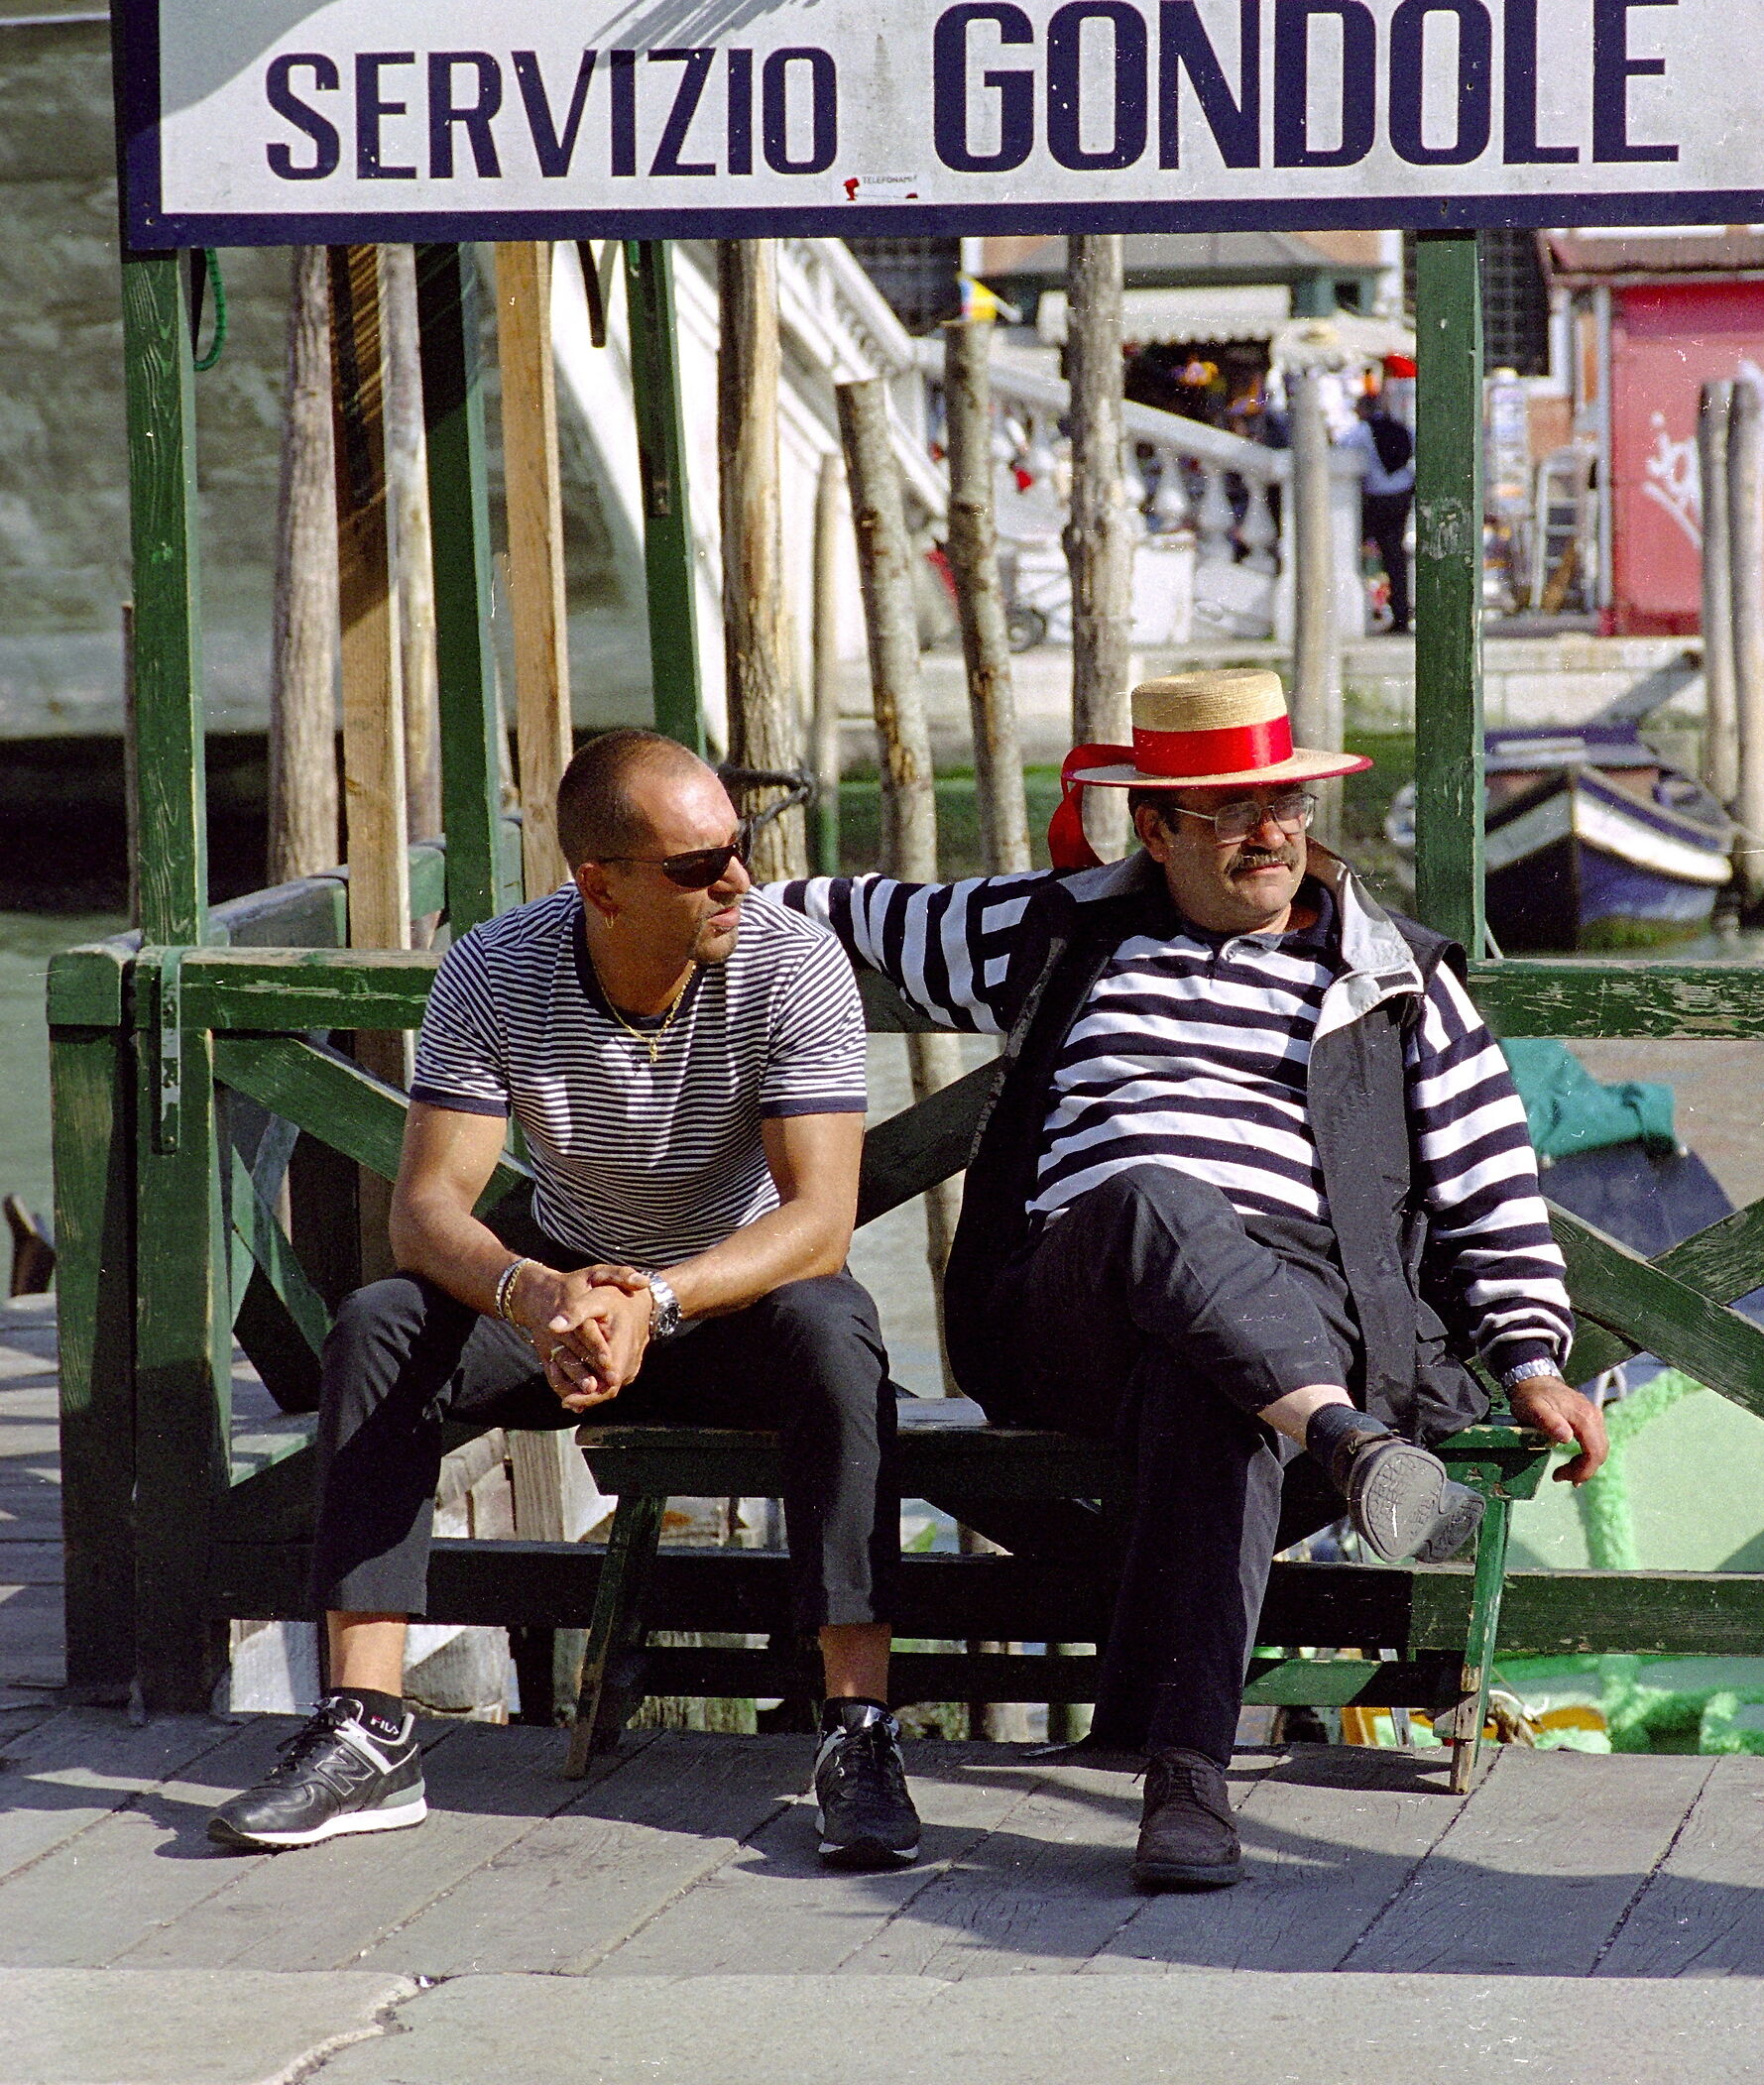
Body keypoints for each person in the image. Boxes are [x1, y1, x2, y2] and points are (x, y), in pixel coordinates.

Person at [770, 669, 1606, 1896]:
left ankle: (1188, 1783)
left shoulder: (1394, 974)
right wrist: (665, 888)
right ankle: (1347, 1443)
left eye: (1284, 804)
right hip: (1071, 1302)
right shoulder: (1055, 928)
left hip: (1304, 1304)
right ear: (1152, 829)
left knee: (1208, 1382)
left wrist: (1533, 1360)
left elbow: (1492, 1189)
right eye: (1228, 811)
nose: (1270, 833)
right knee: (1159, 1203)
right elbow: (818, 906)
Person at [211, 730, 921, 1872]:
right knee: (381, 1325)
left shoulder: (793, 963)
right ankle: (369, 1725)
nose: (736, 879)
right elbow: (428, 1209)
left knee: (839, 1332)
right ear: (599, 884)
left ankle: (858, 1731)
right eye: (698, 867)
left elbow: (818, 1219)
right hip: (571, 1282)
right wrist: (537, 1294)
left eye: (738, 850)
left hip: (729, 1289)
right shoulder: (497, 966)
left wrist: (657, 1298)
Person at [1341, 388, 1416, 633]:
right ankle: (1401, 614)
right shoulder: (1400, 428)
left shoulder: (1362, 431)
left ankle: (1362, 607)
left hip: (1377, 498)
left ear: (1361, 410)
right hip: (1402, 492)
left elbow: (1341, 451)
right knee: (1395, 555)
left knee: (1358, 548)